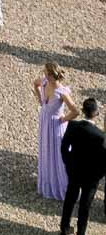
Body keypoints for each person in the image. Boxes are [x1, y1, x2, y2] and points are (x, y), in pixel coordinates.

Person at [60, 98, 106, 235]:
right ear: (96, 113)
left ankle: (64, 228)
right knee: (85, 205)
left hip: (74, 170)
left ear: (83, 110)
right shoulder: (100, 136)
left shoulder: (73, 125)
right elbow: (104, 160)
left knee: (70, 199)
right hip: (91, 176)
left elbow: (64, 148)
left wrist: (68, 164)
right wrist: (98, 176)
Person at [34, 61, 78, 200]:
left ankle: (62, 184)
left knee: (59, 153)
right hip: (45, 122)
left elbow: (75, 111)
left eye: (47, 74)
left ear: (54, 75)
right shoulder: (44, 82)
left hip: (56, 125)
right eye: (45, 74)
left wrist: (64, 119)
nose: (45, 76)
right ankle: (49, 180)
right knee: (46, 149)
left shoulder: (62, 92)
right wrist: (40, 100)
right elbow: (35, 83)